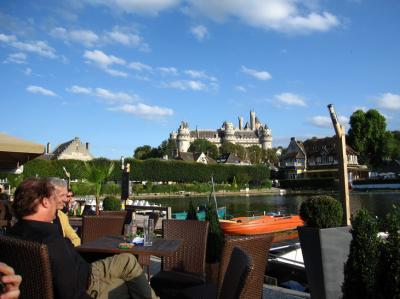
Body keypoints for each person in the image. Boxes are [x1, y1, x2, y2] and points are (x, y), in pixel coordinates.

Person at [8, 177, 158, 299]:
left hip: (82, 270)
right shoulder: (52, 242)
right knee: (127, 279)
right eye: (54, 199)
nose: (59, 203)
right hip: (88, 282)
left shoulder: (11, 236)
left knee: (127, 259)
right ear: (45, 202)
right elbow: (72, 294)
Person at [48, 178, 81, 247]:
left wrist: (67, 249)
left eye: (66, 196)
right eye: (62, 195)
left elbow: (76, 239)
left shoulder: (62, 216)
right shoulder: (41, 218)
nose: (66, 199)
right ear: (49, 196)